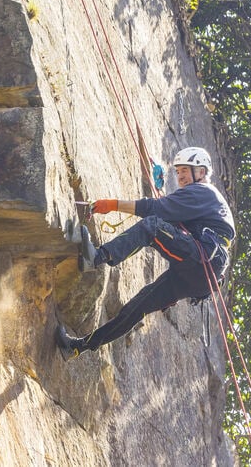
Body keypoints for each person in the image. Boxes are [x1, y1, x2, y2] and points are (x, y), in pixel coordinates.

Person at [56, 147, 235, 358]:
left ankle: (96, 257)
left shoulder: (204, 192)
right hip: (201, 274)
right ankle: (77, 347)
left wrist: (113, 204)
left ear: (201, 172)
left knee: (152, 227)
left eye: (185, 170)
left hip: (203, 258)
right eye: (178, 171)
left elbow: (156, 209)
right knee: (138, 306)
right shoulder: (204, 200)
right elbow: (172, 215)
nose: (180, 176)